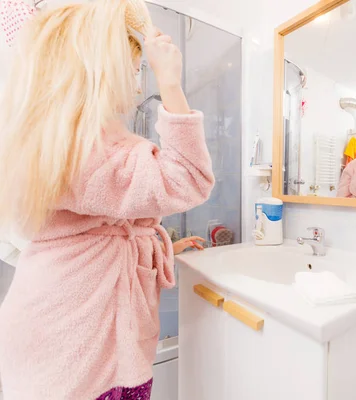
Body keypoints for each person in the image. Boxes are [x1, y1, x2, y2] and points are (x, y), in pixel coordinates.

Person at [0, 2, 215, 399]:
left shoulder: (54, 138)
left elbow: (106, 228)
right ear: (100, 68)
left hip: (53, 339)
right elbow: (190, 178)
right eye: (134, 70)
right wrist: (170, 83)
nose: (137, 85)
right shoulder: (88, 147)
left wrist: (165, 246)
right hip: (82, 360)